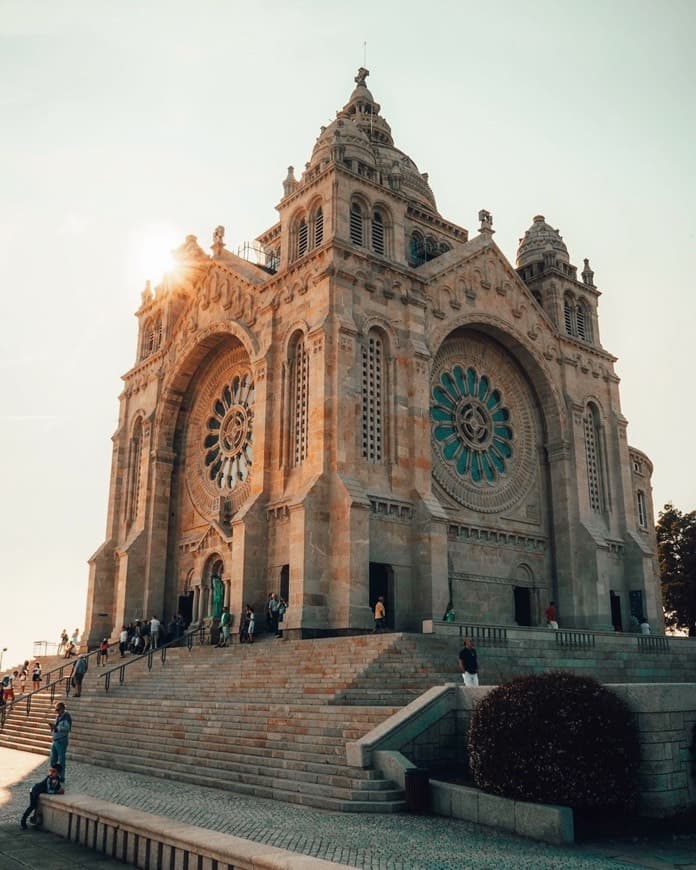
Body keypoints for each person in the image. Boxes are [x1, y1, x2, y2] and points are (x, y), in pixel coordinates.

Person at [20, 764, 64, 829]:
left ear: (58, 773)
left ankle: (35, 819)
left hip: (39, 791)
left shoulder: (57, 779)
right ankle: (23, 820)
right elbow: (48, 790)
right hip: (34, 790)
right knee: (33, 805)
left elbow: (57, 786)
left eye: (53, 771)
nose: (51, 773)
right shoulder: (48, 779)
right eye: (50, 771)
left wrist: (60, 789)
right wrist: (57, 792)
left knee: (37, 806)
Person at [49, 702, 72, 783]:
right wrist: (53, 728)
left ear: (62, 709)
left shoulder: (66, 717)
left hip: (61, 740)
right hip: (56, 740)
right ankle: (53, 775)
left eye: (58, 709)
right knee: (53, 759)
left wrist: (57, 727)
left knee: (61, 760)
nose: (56, 711)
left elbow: (67, 728)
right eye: (56, 710)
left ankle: (61, 777)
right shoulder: (58, 716)